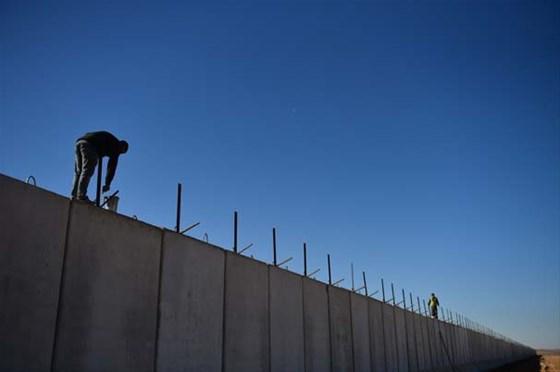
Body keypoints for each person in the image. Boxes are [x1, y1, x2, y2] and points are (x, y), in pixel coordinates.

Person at [71, 131, 128, 202]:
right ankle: (81, 196)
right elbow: (111, 167)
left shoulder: (111, 141)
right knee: (88, 170)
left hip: (80, 142)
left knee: (78, 171)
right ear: (122, 148)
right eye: (121, 152)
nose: (119, 154)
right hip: (90, 145)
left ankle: (74, 195)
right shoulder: (117, 147)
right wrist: (107, 184)